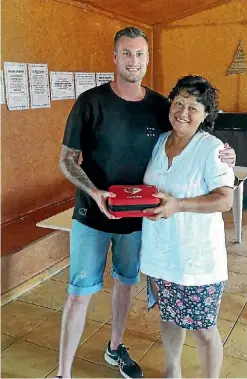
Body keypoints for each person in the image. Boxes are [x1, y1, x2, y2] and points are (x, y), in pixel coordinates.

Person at [57, 27, 236, 379]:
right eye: (126, 53)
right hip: (92, 217)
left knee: (126, 285)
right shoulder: (90, 102)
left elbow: (194, 132)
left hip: (139, 224)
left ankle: (115, 349)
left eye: (140, 54)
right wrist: (95, 193)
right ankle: (64, 373)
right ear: (114, 56)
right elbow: (66, 160)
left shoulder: (159, 106)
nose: (133, 61)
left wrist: (226, 151)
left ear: (147, 58)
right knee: (80, 294)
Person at [140, 75, 235, 379]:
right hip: (160, 251)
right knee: (169, 316)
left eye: (193, 107)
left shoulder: (212, 149)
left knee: (205, 329)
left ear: (206, 114)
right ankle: (172, 370)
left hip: (197, 257)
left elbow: (224, 201)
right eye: (179, 103)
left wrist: (179, 204)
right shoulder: (158, 142)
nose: (183, 111)